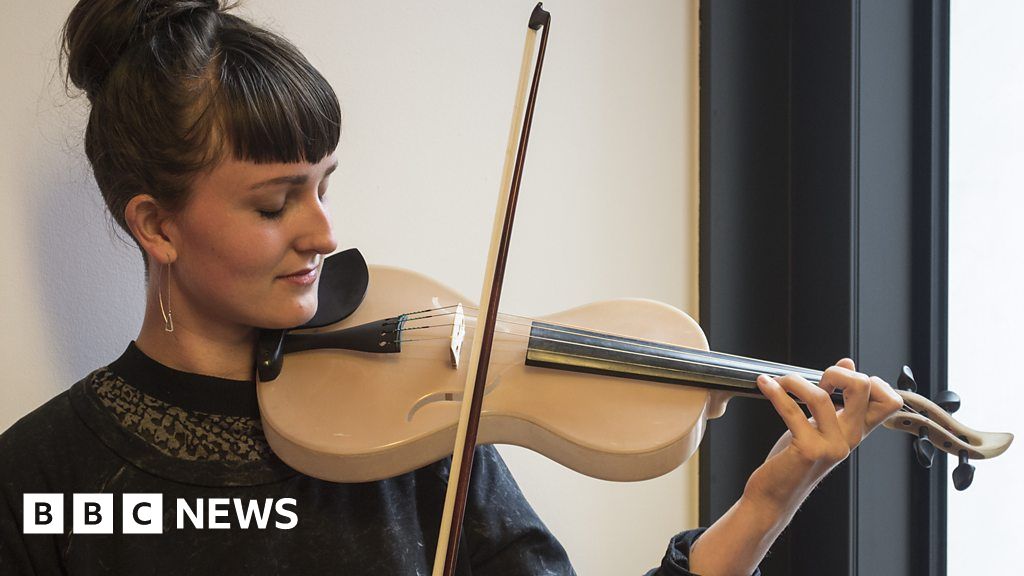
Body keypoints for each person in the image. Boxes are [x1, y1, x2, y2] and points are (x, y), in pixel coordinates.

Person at [0, 1, 905, 574]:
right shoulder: (45, 479)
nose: (323, 232)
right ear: (156, 224)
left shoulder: (413, 411)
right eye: (277, 202)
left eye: (325, 184)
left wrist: (766, 500)